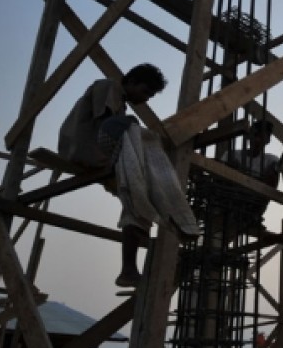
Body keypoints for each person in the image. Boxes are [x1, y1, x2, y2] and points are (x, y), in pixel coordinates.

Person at [58, 64, 200, 288]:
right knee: (137, 139)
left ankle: (130, 267)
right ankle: (135, 261)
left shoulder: (121, 104)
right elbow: (108, 125)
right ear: (131, 81)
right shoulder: (109, 87)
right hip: (85, 147)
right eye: (145, 92)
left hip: (101, 154)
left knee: (139, 197)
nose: (146, 100)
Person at [223, 120, 282, 222]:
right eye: (256, 135)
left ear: (267, 140)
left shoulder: (271, 159)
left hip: (254, 204)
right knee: (231, 165)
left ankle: (254, 213)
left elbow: (281, 166)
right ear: (249, 136)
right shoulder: (232, 154)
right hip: (231, 201)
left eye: (262, 137)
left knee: (274, 169)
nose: (258, 140)